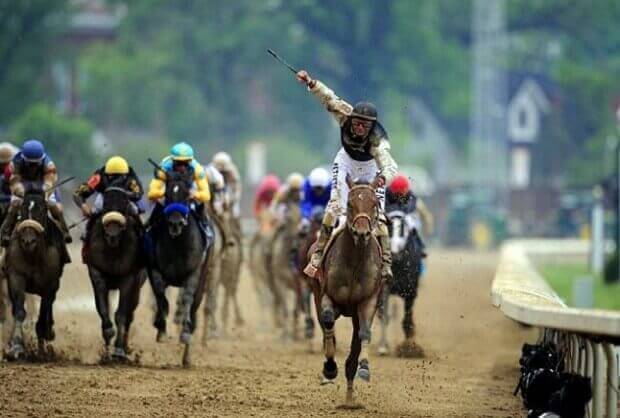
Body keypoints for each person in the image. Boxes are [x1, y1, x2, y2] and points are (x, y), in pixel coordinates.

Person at [296, 70, 398, 281]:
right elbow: (329, 99)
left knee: (378, 216)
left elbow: (390, 166)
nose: (359, 127)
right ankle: (318, 255)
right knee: (335, 207)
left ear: (372, 127)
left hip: (371, 168)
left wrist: (382, 179)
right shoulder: (345, 115)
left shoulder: (378, 141)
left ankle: (386, 263)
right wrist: (311, 83)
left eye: (365, 125)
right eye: (357, 122)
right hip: (345, 162)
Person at [0, 139, 72, 246]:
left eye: (35, 163)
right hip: (23, 185)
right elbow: (14, 180)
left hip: (41, 185)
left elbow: (50, 179)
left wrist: (46, 190)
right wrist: (19, 190)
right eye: (30, 163)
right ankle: (4, 233)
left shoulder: (49, 163)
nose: (33, 166)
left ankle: (64, 231)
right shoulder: (15, 162)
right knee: (14, 205)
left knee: (53, 205)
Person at [147, 142, 211, 227]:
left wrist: (194, 194)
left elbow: (206, 195)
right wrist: (164, 193)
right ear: (173, 161)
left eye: (185, 163)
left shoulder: (197, 170)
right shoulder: (163, 169)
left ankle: (206, 229)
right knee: (159, 205)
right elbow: (151, 193)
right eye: (178, 163)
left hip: (188, 196)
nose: (182, 167)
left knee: (200, 205)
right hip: (170, 196)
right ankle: (149, 226)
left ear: (190, 161)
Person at [73, 156, 144, 232]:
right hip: (104, 199)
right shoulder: (99, 176)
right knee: (94, 215)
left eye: (120, 177)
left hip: (125, 200)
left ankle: (142, 233)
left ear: (125, 175)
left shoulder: (130, 176)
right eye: (111, 176)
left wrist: (126, 194)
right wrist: (83, 206)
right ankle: (87, 236)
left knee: (135, 211)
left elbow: (138, 193)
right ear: (106, 173)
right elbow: (78, 193)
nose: (116, 179)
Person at [385, 174, 433, 258]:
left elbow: (425, 215)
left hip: (406, 221)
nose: (399, 197)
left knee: (412, 224)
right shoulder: (384, 196)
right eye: (396, 194)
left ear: (406, 191)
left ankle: (420, 247)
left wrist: (427, 230)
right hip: (388, 220)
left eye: (401, 194)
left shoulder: (413, 199)